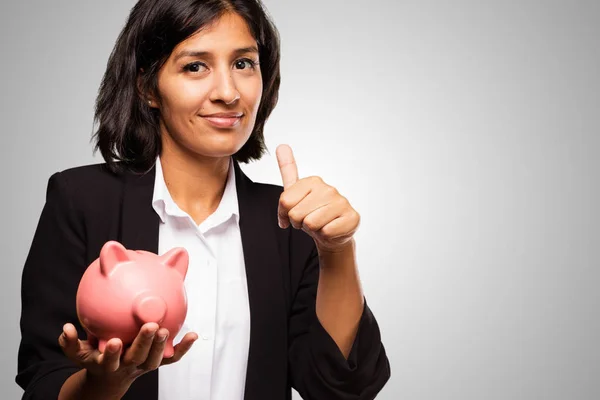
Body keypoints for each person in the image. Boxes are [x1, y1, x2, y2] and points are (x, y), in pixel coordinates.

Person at [15, 0, 391, 399]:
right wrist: (106, 383)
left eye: (244, 64)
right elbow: (44, 376)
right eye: (195, 66)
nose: (228, 93)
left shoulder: (290, 222)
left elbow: (342, 388)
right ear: (148, 87)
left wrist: (336, 250)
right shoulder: (81, 201)